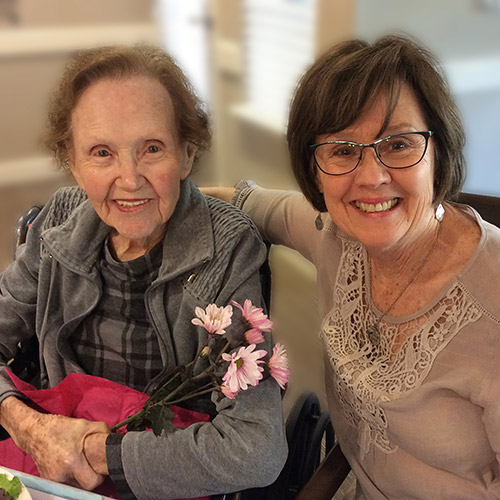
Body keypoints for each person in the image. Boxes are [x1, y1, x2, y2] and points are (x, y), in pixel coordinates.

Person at [206, 34, 500, 498]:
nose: (371, 177)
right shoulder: (335, 237)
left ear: (438, 151)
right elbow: (248, 202)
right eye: (343, 151)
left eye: (399, 144)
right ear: (315, 169)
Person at [0, 45, 287, 499]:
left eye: (152, 149)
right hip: (55, 467)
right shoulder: (59, 223)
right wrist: (28, 425)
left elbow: (257, 446)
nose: (130, 179)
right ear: (73, 163)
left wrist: (98, 452)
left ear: (188, 154)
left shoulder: (227, 247)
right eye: (101, 153)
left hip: (163, 474)